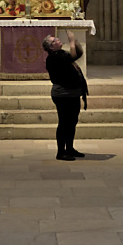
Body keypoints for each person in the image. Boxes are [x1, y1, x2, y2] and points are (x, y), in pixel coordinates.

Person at [43, 30, 88, 161]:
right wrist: (71, 41)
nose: (58, 40)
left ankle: (70, 148)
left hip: (72, 93)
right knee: (64, 123)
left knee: (72, 122)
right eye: (55, 40)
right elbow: (72, 57)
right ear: (51, 47)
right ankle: (61, 152)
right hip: (63, 94)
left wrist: (76, 41)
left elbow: (77, 54)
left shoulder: (61, 54)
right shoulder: (54, 58)